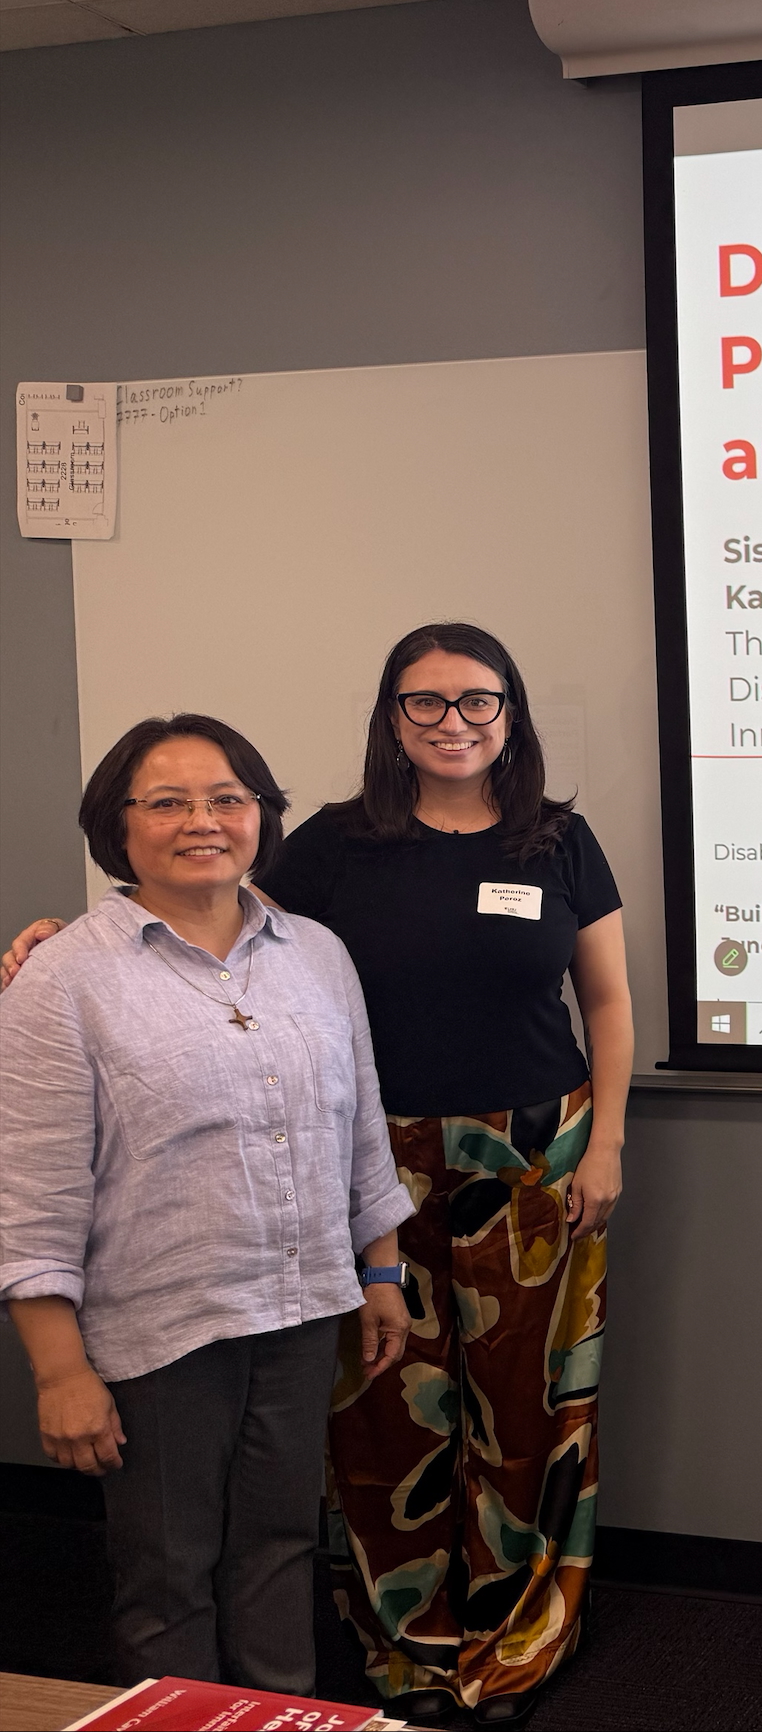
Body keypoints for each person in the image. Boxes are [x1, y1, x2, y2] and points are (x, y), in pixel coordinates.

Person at [5, 622, 631, 1727]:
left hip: (511, 1171)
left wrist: (609, 1141)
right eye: (425, 702)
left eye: (478, 701)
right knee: (380, 1426)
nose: (453, 722)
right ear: (390, 716)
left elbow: (604, 1002)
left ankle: (502, 1639)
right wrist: (45, 944)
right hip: (330, 1190)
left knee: (511, 1424)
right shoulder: (330, 849)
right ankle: (389, 1644)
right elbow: (188, 924)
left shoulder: (545, 845)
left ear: (511, 714)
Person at [0, 715, 414, 1694]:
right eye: (169, 801)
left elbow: (360, 1125)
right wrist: (59, 1370)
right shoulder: (63, 976)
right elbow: (32, 1186)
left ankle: (279, 1713)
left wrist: (383, 1269)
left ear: (263, 818)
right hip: (159, 1330)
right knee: (166, 1577)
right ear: (117, 823)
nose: (204, 820)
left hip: (304, 1307)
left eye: (229, 798)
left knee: (277, 1550)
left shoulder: (316, 954)